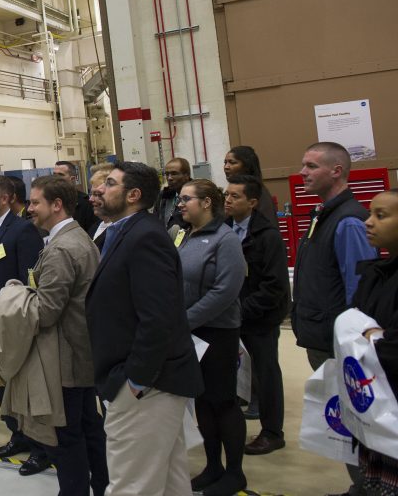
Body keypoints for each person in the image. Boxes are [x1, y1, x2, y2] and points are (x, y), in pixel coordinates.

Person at [86, 162, 203, 496]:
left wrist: (135, 380)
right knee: (168, 480)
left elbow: (158, 317)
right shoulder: (123, 232)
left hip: (146, 386)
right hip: (147, 383)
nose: (99, 190)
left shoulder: (145, 237)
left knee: (131, 485)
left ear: (133, 195)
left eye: (109, 183)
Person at [293, 142, 377, 496]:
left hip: (336, 342)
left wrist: (350, 344)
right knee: (343, 422)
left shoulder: (348, 222)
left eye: (311, 166)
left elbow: (358, 289)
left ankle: (369, 487)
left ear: (336, 170)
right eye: (303, 165)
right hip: (319, 335)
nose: (303, 172)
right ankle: (361, 486)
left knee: (356, 422)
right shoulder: (322, 214)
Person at [26, 175, 108, 496]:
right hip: (82, 353)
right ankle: (101, 486)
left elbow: (46, 312)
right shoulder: (80, 239)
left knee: (67, 435)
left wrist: (16, 302)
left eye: (35, 202)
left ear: (56, 205)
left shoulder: (62, 249)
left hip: (66, 359)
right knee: (89, 427)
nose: (30, 208)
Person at [176, 179, 248, 496]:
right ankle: (213, 466)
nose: (180, 204)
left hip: (218, 332)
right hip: (190, 331)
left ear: (206, 203)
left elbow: (226, 291)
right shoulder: (183, 236)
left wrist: (186, 320)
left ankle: (235, 472)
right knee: (202, 401)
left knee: (223, 401)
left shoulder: (225, 239)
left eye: (186, 199)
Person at [0, 176, 47, 474]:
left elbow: (28, 282)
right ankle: (18, 434)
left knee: (26, 386)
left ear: (6, 199)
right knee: (3, 384)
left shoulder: (23, 230)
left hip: (14, 322)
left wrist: (21, 323)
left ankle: (42, 448)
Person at [225, 175, 290, 456]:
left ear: (252, 202)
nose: (227, 200)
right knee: (235, 375)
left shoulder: (267, 236)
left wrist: (243, 310)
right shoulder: (224, 230)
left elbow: (274, 286)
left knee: (266, 375)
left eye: (235, 196)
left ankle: (273, 432)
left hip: (260, 319)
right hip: (231, 318)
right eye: (226, 195)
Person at [349, 189, 398, 496]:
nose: (368, 222)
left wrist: (372, 340)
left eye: (381, 216)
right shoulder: (375, 272)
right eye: (370, 213)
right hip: (375, 393)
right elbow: (356, 325)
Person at [223, 146, 277, 222]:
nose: (226, 167)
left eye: (232, 163)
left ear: (246, 166)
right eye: (225, 162)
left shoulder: (260, 193)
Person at [54, 160, 99, 232]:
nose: (55, 178)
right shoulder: (50, 201)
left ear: (72, 179)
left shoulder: (87, 204)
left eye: (60, 175)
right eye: (54, 174)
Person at [156, 157, 191, 229]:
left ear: (186, 176)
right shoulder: (163, 196)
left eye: (174, 174)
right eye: (167, 174)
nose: (169, 178)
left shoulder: (196, 196)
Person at [87, 164, 114, 248]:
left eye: (97, 194)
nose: (91, 199)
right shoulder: (95, 227)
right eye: (91, 194)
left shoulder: (120, 230)